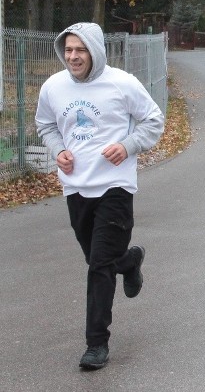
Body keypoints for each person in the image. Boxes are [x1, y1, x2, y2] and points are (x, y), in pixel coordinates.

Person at [35, 23, 165, 370]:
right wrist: (57, 149)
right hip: (76, 187)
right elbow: (45, 125)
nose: (73, 56)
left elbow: (153, 120)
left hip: (115, 187)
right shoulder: (53, 87)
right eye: (68, 50)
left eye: (80, 50)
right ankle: (129, 261)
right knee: (99, 260)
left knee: (97, 267)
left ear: (95, 50)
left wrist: (127, 145)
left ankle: (96, 344)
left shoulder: (122, 83)